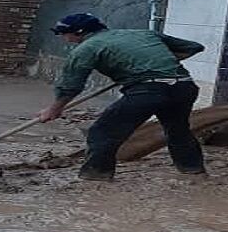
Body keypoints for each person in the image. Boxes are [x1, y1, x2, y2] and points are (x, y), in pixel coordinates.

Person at [38, 13, 207, 181]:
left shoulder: (86, 48)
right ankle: (192, 170)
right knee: (178, 130)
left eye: (63, 33)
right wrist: (159, 62)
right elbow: (193, 47)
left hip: (148, 90)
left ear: (78, 32)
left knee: (102, 132)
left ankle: (96, 177)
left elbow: (71, 86)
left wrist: (54, 109)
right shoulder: (142, 34)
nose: (63, 38)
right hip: (184, 87)